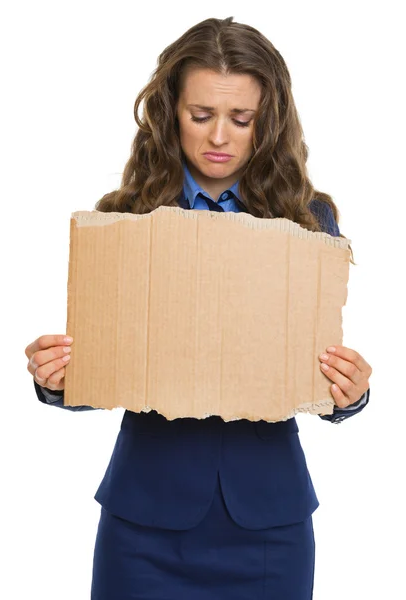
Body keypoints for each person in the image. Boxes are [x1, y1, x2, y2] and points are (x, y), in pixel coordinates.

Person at [24, 16, 372, 600]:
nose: (219, 137)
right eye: (201, 115)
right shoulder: (126, 217)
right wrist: (58, 378)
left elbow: (312, 365)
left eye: (242, 119)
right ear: (170, 114)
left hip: (269, 526)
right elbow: (112, 366)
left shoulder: (308, 221)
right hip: (144, 525)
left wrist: (350, 393)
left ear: (270, 120)